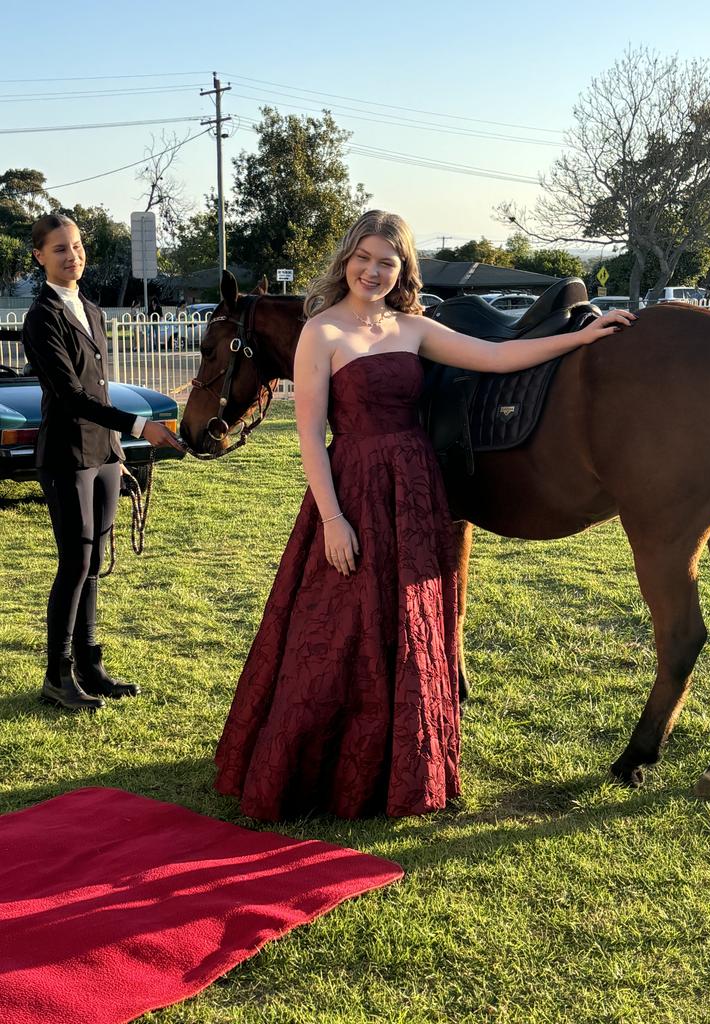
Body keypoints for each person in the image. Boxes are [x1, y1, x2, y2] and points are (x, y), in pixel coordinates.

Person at [214, 209, 635, 821]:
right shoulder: (320, 332)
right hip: (354, 486)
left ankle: (402, 764)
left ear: (402, 268)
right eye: (364, 257)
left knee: (409, 620)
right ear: (346, 259)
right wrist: (332, 518)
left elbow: (496, 357)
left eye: (388, 261)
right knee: (341, 627)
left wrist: (582, 337)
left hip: (413, 489)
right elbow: (308, 435)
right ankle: (324, 766)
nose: (373, 271)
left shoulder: (413, 327)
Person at [22, 214, 184, 713]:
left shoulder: (91, 309)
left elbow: (100, 387)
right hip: (68, 456)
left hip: (104, 454)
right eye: (59, 250)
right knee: (74, 562)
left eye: (76, 246)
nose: (72, 256)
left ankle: (91, 665)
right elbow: (70, 397)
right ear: (40, 257)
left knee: (94, 563)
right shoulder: (41, 318)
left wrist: (118, 446)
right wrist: (139, 428)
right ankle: (57, 675)